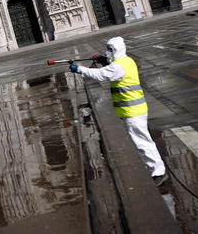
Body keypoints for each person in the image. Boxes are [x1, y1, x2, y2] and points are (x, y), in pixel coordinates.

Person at [70, 36, 168, 186]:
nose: (108, 52)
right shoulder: (127, 61)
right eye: (107, 50)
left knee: (142, 142)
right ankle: (154, 169)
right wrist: (104, 59)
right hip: (135, 109)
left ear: (117, 50)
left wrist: (80, 69)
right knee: (143, 140)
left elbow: (100, 74)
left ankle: (158, 172)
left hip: (133, 111)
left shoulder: (117, 67)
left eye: (110, 50)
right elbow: (112, 66)